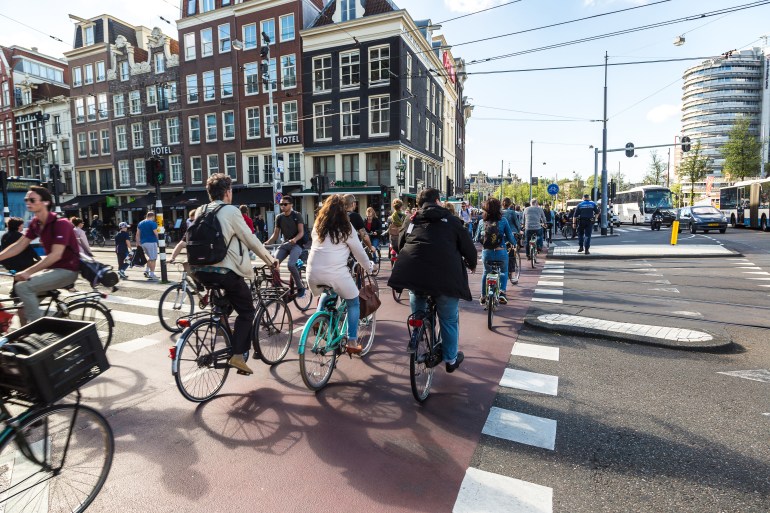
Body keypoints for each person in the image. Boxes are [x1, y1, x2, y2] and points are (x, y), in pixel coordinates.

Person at [190, 173, 276, 374]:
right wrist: (270, 260)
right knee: (246, 310)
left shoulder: (201, 210)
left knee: (227, 303)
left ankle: (221, 325)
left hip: (200, 271)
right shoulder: (230, 211)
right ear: (228, 192)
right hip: (224, 272)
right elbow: (250, 239)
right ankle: (237, 355)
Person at [387, 188, 477, 373]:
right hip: (445, 278)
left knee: (416, 292)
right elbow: (467, 245)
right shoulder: (451, 221)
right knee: (449, 319)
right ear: (437, 201)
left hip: (414, 274)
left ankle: (418, 327)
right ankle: (450, 360)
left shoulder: (411, 220)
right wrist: (472, 263)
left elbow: (399, 244)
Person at [0, 186, 80, 324]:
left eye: (32, 199)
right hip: (52, 270)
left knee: (22, 286)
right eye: (26, 199)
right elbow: (20, 245)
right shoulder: (35, 223)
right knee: (22, 310)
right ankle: (26, 341)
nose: (28, 202)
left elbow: (55, 255)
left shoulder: (61, 224)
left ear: (46, 202)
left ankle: (38, 331)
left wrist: (28, 272)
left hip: (67, 270)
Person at [307, 195, 374, 353]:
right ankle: (352, 341)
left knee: (327, 291)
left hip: (312, 273)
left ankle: (318, 317)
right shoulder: (346, 227)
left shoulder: (318, 224)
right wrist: (369, 267)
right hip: (335, 273)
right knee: (353, 302)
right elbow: (359, 253)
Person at [265, 195, 307, 299]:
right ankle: (277, 285)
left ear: (291, 205)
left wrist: (295, 239)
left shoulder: (297, 215)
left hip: (296, 245)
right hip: (285, 244)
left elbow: (301, 232)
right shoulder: (279, 217)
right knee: (273, 262)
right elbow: (275, 235)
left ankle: (301, 288)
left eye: (285, 204)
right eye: (281, 204)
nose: (282, 206)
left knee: (291, 265)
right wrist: (267, 243)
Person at [476, 198, 516, 305]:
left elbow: (476, 238)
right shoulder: (503, 221)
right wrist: (514, 243)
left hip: (487, 253)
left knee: (485, 272)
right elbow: (510, 237)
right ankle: (502, 292)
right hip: (501, 251)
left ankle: (483, 295)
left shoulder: (481, 221)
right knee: (503, 271)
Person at [136, 211, 159, 280]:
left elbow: (137, 234)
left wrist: (138, 243)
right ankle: (152, 274)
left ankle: (147, 270)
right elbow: (156, 234)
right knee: (153, 259)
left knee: (150, 257)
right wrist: (161, 241)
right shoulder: (153, 223)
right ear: (152, 217)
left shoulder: (140, 223)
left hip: (143, 243)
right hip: (151, 242)